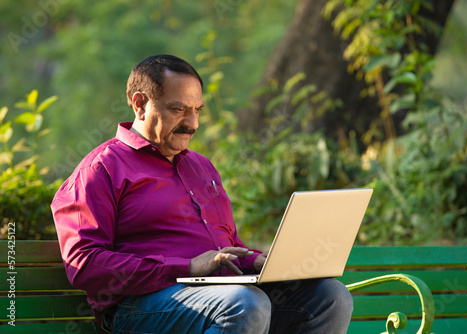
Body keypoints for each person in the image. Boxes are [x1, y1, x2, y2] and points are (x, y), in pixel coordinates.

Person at [51, 54, 353, 333]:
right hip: (138, 308)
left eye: (197, 110)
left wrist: (259, 263)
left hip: (224, 296)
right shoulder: (101, 169)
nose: (192, 124)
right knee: (245, 304)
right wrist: (186, 268)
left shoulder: (202, 168)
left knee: (330, 296)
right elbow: (85, 263)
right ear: (139, 103)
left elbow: (226, 247)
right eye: (178, 109)